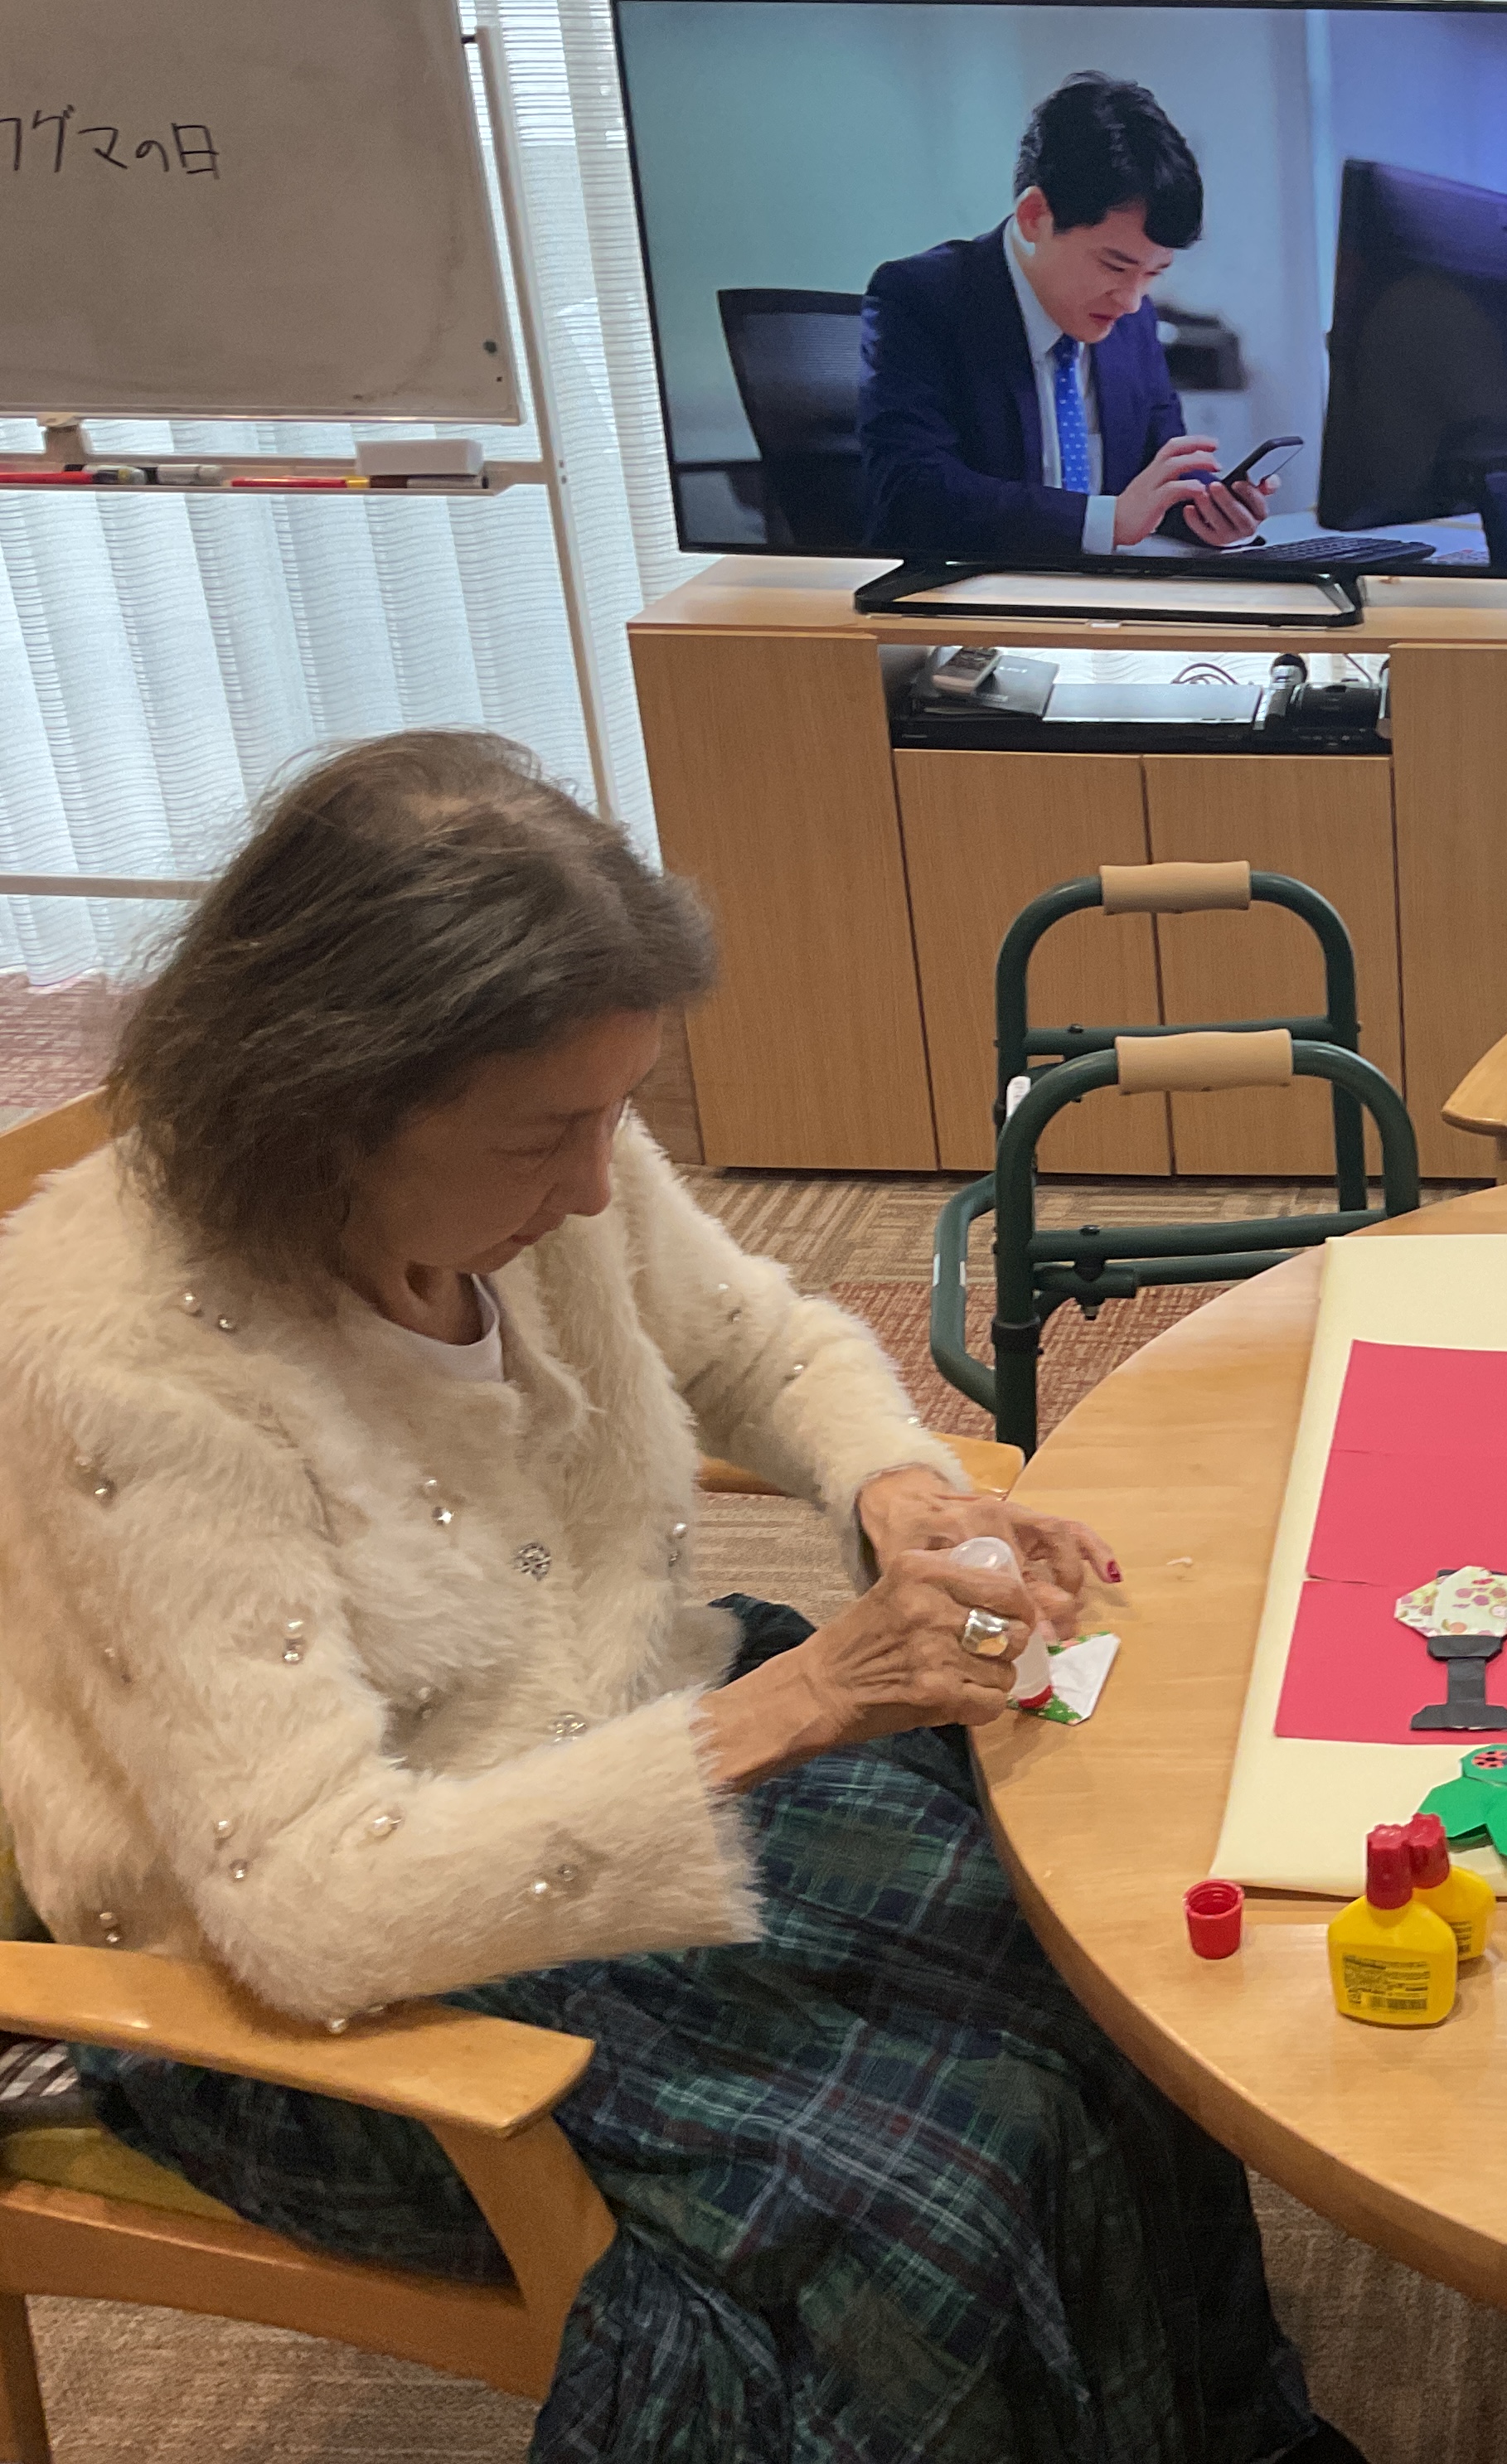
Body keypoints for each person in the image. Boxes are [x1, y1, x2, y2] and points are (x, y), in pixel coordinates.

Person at [0, 733, 1354, 2464]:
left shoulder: (537, 1146)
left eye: (616, 1113)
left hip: (622, 1740)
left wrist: (899, 1494)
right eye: (547, 1136)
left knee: (1105, 1948)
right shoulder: (128, 1368)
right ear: (326, 1102)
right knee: (929, 2190)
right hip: (298, 1989)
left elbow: (752, 1343)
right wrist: (807, 1696)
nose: (594, 1183)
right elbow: (311, 1911)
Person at [859, 72, 1272, 560]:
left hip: (1109, 597)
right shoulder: (923, 297)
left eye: (1153, 274)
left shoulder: (1133, 319)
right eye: (1114, 266)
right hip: (973, 598)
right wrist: (1105, 521)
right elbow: (911, 493)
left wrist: (1208, 511)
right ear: (1035, 216)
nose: (1131, 301)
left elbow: (1161, 472)